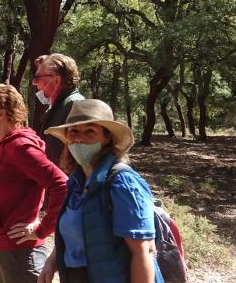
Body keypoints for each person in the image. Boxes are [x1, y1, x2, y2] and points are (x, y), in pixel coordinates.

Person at [38, 99, 163, 283]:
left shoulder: (122, 183)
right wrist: (50, 263)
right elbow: (75, 233)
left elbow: (142, 253)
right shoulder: (76, 182)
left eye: (90, 131)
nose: (79, 138)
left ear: (107, 137)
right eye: (73, 131)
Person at [0, 84, 68, 283]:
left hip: (20, 253)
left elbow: (62, 184)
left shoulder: (20, 147)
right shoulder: (4, 144)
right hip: (1, 248)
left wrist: (42, 229)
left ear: (1, 114)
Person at [0, 53, 84, 179]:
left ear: (56, 80)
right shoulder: (57, 108)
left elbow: (81, 159)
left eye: (38, 77)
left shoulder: (75, 105)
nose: (34, 83)